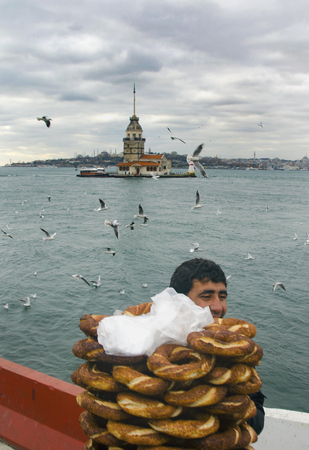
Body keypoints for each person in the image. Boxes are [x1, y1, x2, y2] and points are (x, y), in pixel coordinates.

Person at [169, 258, 265, 435]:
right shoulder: (154, 349)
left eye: (222, 297)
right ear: (179, 302)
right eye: (206, 296)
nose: (218, 307)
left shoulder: (235, 355)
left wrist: (223, 405)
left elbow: (257, 418)